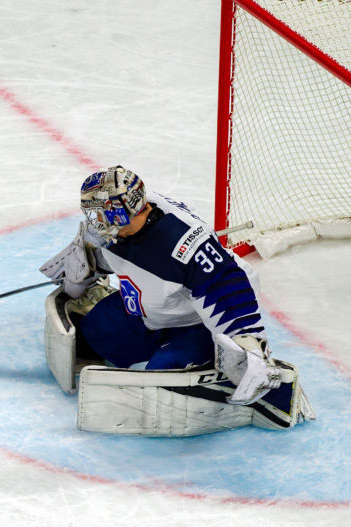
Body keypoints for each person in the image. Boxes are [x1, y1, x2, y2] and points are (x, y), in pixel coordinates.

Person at [41, 166, 313, 435]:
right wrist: (88, 261)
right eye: (93, 214)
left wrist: (246, 341)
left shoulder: (185, 242)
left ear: (123, 211)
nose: (96, 222)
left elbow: (225, 284)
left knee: (161, 381)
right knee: (91, 337)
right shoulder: (120, 222)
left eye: (102, 215)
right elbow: (112, 250)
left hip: (194, 323)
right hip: (150, 311)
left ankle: (228, 369)